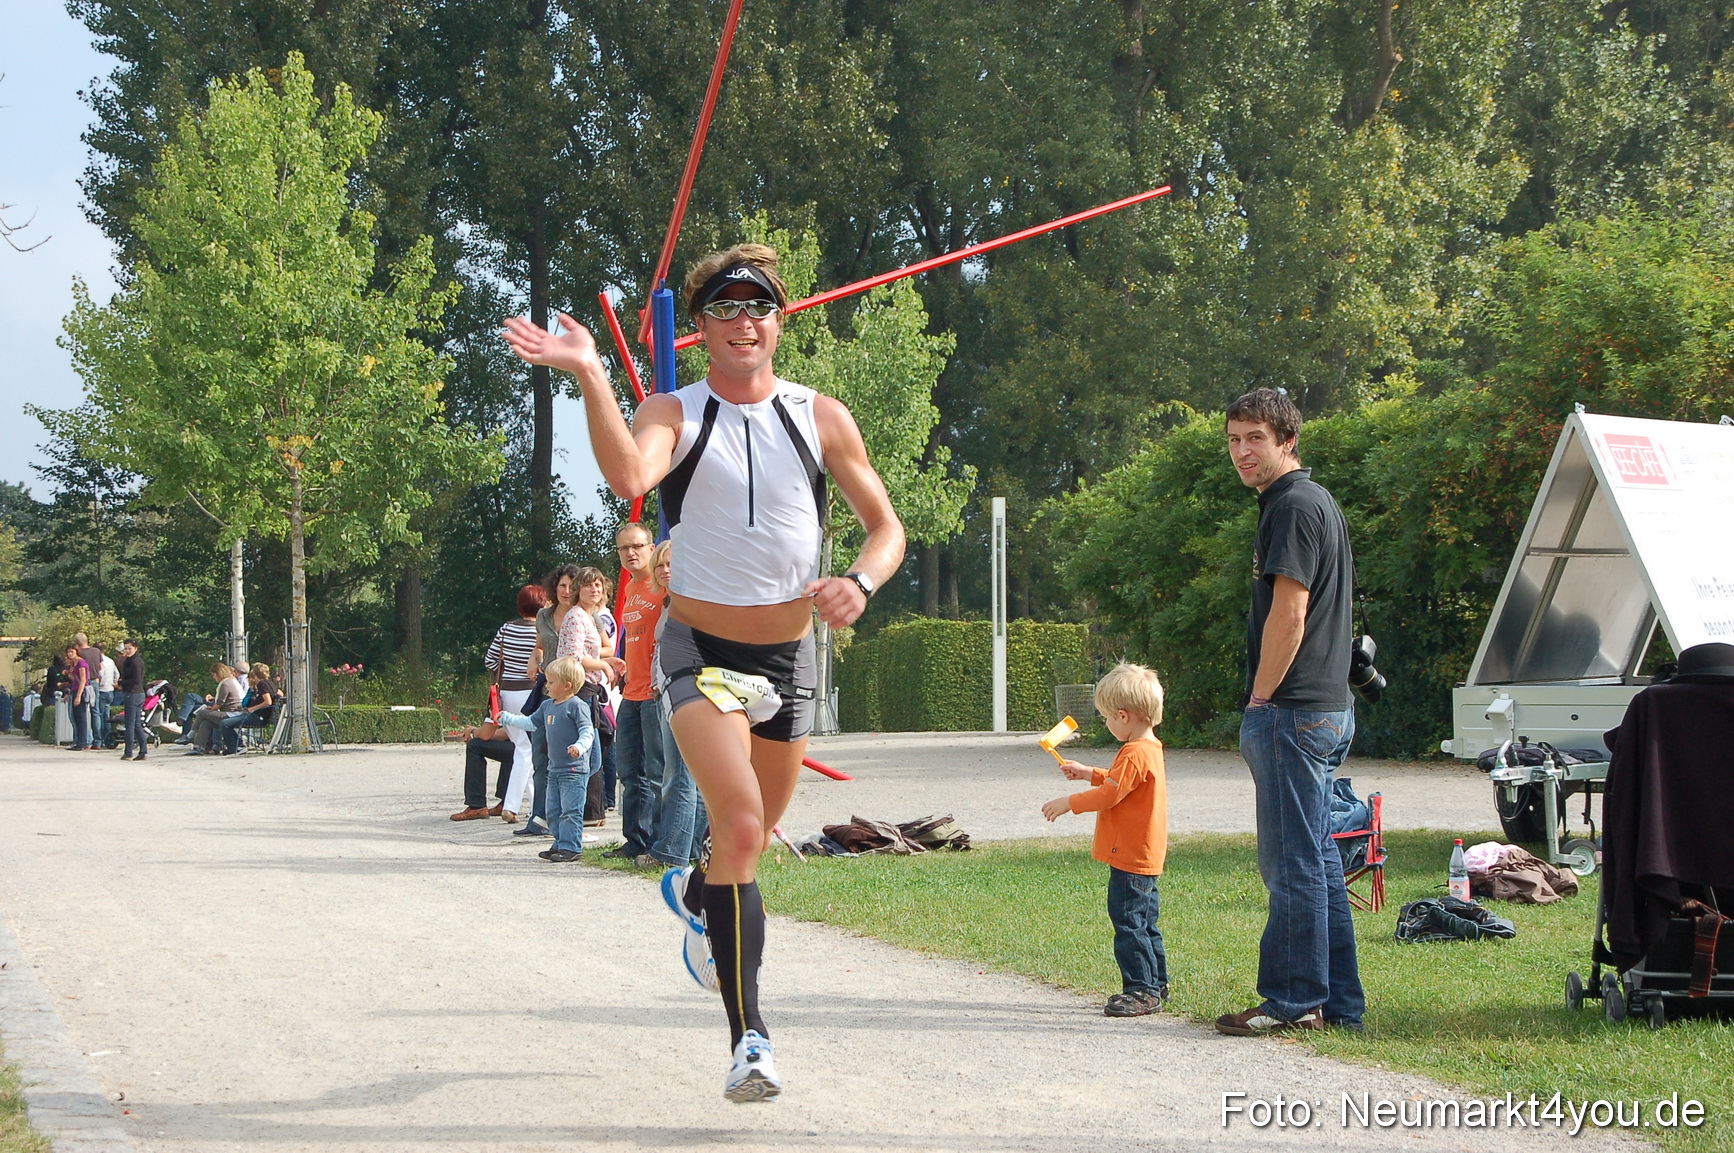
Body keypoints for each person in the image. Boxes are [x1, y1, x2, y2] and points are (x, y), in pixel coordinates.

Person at [504, 241, 905, 1103]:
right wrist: (587, 372)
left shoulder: (822, 415)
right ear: (702, 329)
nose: (743, 320)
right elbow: (626, 475)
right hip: (701, 654)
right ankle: (749, 1040)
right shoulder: (674, 411)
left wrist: (860, 581)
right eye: (724, 307)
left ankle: (695, 893)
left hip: (788, 657)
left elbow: (886, 527)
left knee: (737, 846)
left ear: (779, 320)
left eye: (757, 305)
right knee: (746, 826)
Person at [1215, 386, 1364, 1037]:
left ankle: (1293, 994)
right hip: (1323, 710)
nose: (1243, 451)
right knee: (1320, 858)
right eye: (1234, 439)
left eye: (1256, 439)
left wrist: (1260, 697)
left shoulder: (1292, 506)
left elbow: (1290, 610)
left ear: (1287, 441)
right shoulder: (1312, 501)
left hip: (1295, 711)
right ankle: (1340, 1004)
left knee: (1291, 861)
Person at [1041, 662, 1171, 1017]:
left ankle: (1141, 990)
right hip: (1144, 853)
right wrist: (1088, 773)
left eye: (1107, 719)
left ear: (1123, 716)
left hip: (1130, 855)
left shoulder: (1133, 752)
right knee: (1145, 922)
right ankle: (1157, 983)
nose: (1107, 725)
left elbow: (1111, 794)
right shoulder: (1149, 748)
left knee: (1128, 921)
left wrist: (1069, 803)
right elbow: (1120, 783)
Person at [496, 657, 596, 861]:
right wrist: (507, 718)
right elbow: (531, 723)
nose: (546, 686)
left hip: (574, 771)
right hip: (555, 769)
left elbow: (587, 732)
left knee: (571, 810)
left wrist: (579, 747)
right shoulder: (547, 706)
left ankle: (571, 846)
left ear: (567, 685)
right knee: (553, 811)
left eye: (551, 682)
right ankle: (560, 843)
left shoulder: (577, 706)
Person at [643, 539, 702, 868]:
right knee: (691, 775)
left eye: (671, 564)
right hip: (670, 689)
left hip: (684, 691)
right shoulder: (671, 601)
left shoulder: (692, 600)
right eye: (660, 566)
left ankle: (672, 852)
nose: (665, 571)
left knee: (678, 773)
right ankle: (693, 849)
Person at [487, 584, 548, 822]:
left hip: (507, 694)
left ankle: (536, 810)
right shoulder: (542, 630)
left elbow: (490, 660)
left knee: (523, 748)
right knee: (527, 750)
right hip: (531, 694)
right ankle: (510, 806)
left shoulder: (506, 629)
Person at [450, 717, 517, 821]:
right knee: (510, 742)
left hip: (529, 749)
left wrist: (472, 732)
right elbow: (512, 732)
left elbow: (486, 734)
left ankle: (476, 806)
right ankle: (506, 803)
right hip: (539, 744)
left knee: (474, 746)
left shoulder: (497, 700)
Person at [217, 663, 277, 754]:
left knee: (224, 723)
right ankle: (238, 746)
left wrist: (252, 708)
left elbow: (268, 701)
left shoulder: (262, 684)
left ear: (256, 674)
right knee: (226, 722)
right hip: (263, 717)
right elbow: (279, 693)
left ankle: (236, 747)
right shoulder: (270, 683)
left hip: (258, 717)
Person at [188, 663, 245, 754]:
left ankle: (191, 733)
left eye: (214, 675)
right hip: (232, 712)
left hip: (232, 713)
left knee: (203, 713)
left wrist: (211, 709)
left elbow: (220, 703)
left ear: (219, 673)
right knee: (206, 722)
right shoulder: (230, 682)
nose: (213, 677)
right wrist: (212, 709)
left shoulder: (225, 684)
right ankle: (198, 747)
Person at [118, 640, 148, 761]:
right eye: (125, 649)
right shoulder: (131, 661)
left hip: (133, 693)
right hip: (137, 693)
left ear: (135, 648)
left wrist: (121, 682)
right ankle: (143, 751)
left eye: (129, 648)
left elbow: (136, 680)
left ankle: (128, 752)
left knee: (130, 724)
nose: (127, 651)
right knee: (136, 724)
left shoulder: (135, 662)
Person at [64, 645, 94, 750]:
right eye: (68, 652)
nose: (70, 654)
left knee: (81, 718)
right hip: (74, 689)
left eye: (72, 652)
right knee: (76, 717)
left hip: (81, 691)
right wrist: (69, 672)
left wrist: (78, 696)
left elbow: (83, 680)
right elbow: (74, 680)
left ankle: (83, 742)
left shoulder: (81, 663)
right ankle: (78, 742)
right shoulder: (73, 663)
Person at [96, 644, 120, 747]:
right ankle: (109, 737)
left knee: (100, 716)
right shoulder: (110, 660)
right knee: (106, 715)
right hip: (110, 690)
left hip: (102, 690)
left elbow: (102, 674)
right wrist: (114, 683)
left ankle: (102, 738)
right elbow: (117, 674)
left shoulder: (100, 661)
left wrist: (99, 685)